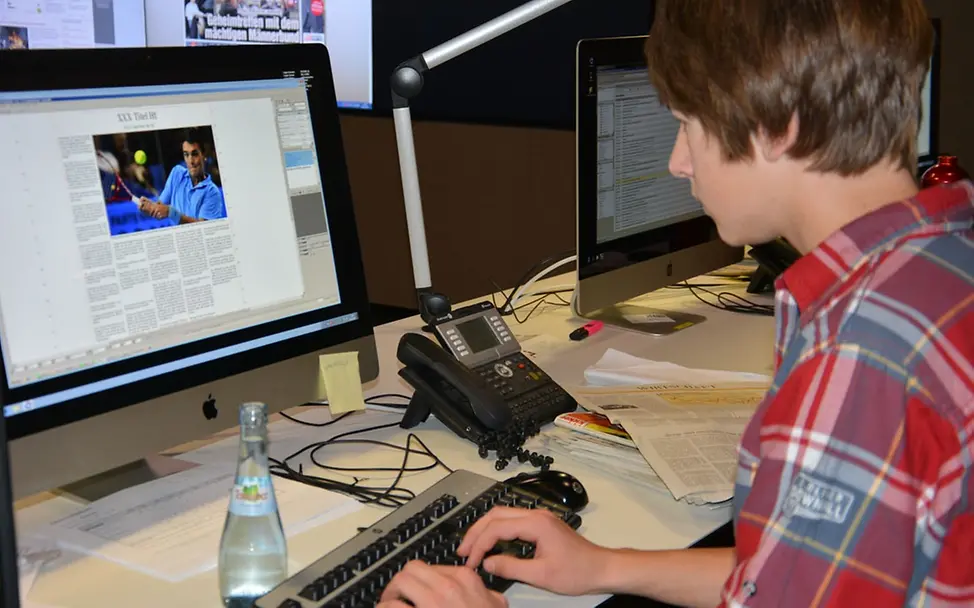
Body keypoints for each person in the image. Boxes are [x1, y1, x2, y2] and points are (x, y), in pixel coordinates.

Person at [376, 1, 974, 607]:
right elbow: (795, 575)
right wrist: (608, 566)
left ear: (779, 127)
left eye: (689, 125)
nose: (677, 162)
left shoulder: (860, 354)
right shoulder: (944, 261)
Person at [139, 128, 225, 224]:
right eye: (186, 155)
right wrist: (151, 206)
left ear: (204, 155)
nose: (190, 161)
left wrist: (171, 213)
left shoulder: (212, 193)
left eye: (195, 154)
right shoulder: (176, 173)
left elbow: (203, 228)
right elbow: (160, 207)